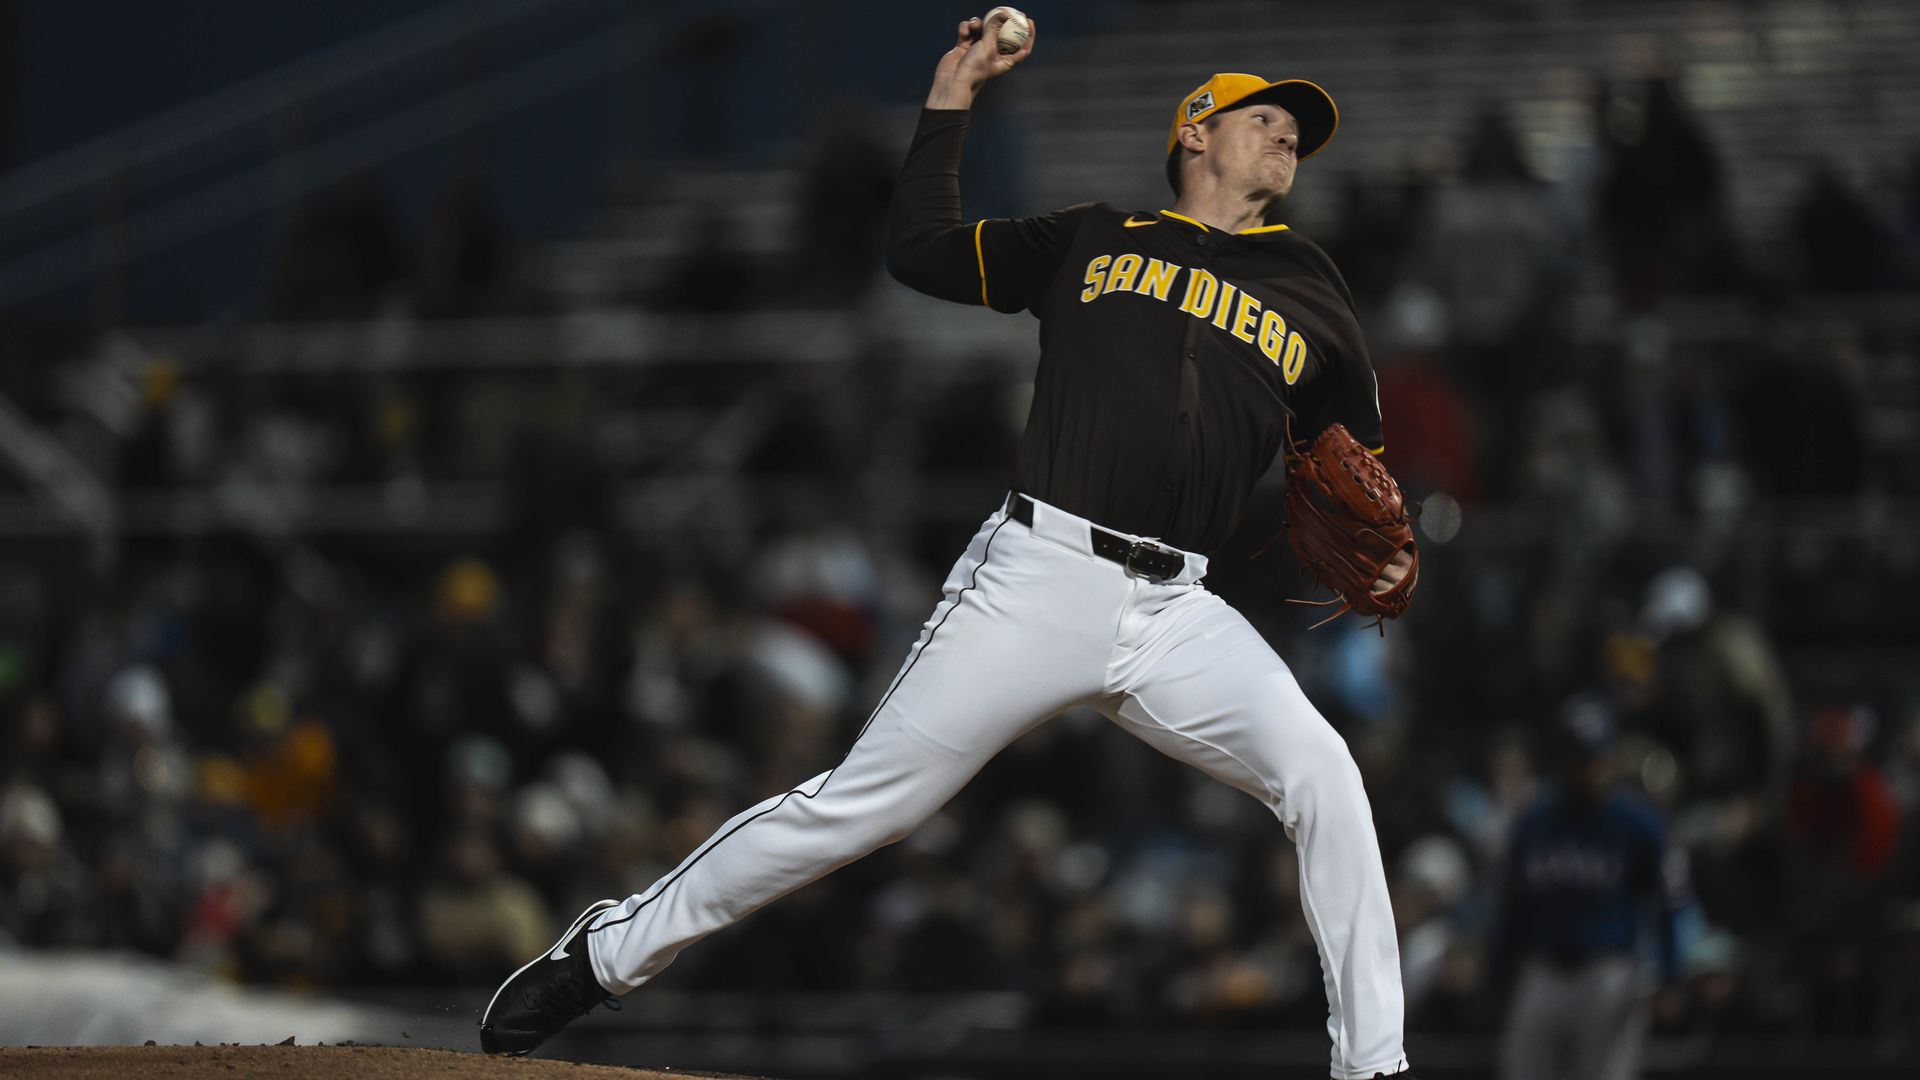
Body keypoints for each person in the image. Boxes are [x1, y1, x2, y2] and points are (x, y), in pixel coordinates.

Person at [482, 14, 1417, 1078]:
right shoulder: (1093, 236)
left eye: (1300, 130)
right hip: (1039, 573)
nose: (1290, 137)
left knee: (1324, 776)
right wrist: (952, 102)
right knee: (858, 811)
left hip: (1176, 614)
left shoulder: (1313, 287)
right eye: (1268, 118)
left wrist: (1382, 539)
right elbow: (918, 250)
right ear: (1195, 133)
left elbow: (1354, 465)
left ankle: (1374, 1069)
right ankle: (602, 956)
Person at [1491, 696, 1685, 1080]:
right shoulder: (1533, 822)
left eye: (1594, 759)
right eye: (1577, 760)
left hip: (1609, 971)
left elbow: (1667, 904)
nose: (1586, 771)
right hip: (1543, 968)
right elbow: (1513, 906)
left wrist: (1670, 974)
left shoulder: (1638, 824)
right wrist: (1496, 974)